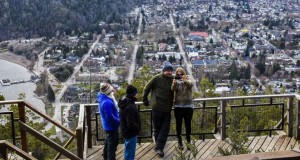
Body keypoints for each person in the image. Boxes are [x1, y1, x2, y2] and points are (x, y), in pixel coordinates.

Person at [142, 61, 174, 157]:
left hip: (168, 108)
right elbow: (146, 88)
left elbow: (183, 81)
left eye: (170, 70)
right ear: (163, 71)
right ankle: (159, 147)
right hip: (157, 107)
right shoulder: (156, 78)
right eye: (167, 70)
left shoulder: (173, 79)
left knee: (165, 129)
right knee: (157, 129)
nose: (169, 72)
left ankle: (159, 147)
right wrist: (145, 100)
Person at [171, 67, 194, 150]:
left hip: (188, 105)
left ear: (184, 73)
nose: (180, 75)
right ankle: (180, 142)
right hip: (178, 106)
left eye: (181, 73)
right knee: (178, 125)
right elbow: (172, 89)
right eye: (178, 74)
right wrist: (174, 83)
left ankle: (188, 142)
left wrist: (184, 80)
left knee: (188, 125)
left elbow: (190, 85)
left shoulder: (188, 79)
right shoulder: (175, 81)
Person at [97, 83, 120, 160]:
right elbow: (110, 117)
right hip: (112, 127)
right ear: (109, 92)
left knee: (108, 142)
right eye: (111, 90)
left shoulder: (102, 98)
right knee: (112, 146)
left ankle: (106, 157)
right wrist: (118, 121)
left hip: (107, 126)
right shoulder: (107, 102)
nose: (113, 91)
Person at [118, 85, 141, 160]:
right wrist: (137, 126)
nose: (137, 94)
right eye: (136, 93)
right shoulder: (130, 106)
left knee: (128, 150)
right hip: (131, 132)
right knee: (130, 151)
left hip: (125, 131)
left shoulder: (124, 103)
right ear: (133, 94)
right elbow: (130, 123)